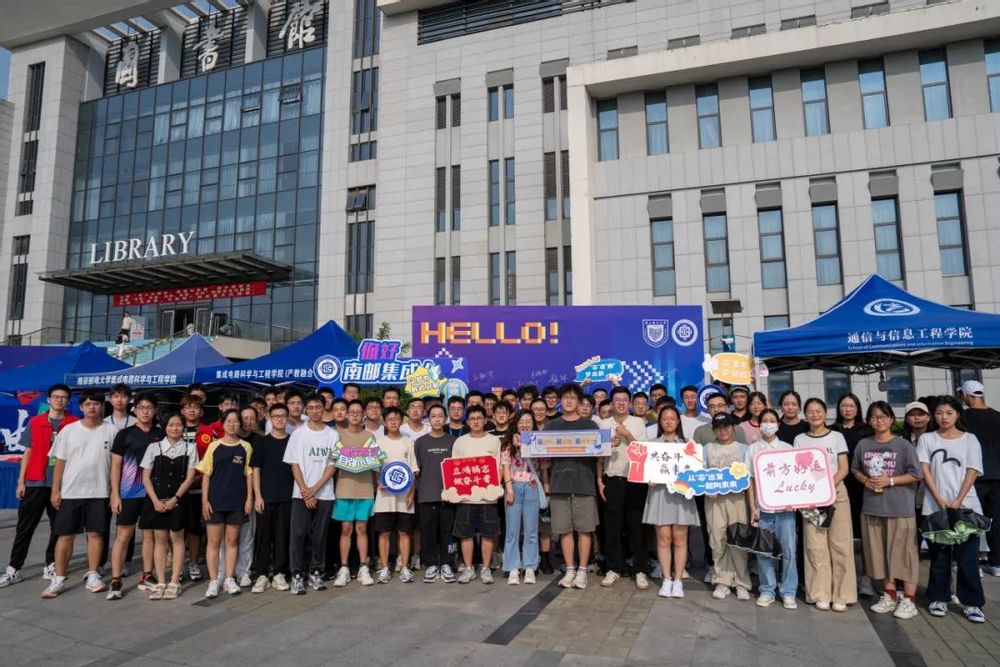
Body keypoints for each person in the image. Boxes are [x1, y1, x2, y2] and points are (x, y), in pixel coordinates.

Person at [0, 384, 78, 588]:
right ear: (49, 399)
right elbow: (27, 452)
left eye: (63, 397)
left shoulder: (73, 424)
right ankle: (14, 568)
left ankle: (50, 564)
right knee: (25, 527)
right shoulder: (35, 422)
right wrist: (21, 482)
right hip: (35, 481)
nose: (59, 400)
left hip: (61, 484)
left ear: (68, 401)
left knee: (58, 527)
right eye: (56, 397)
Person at [41, 390, 117, 599]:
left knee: (95, 534)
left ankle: (93, 575)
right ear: (81, 407)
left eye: (96, 403)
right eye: (88, 404)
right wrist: (55, 490)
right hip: (71, 492)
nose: (92, 407)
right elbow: (59, 462)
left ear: (102, 406)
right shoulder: (69, 430)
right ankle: (59, 578)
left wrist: (113, 491)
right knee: (65, 535)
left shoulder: (112, 431)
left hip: (99, 492)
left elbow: (115, 465)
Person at [918, 395, 987, 623]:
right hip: (935, 506)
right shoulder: (927, 439)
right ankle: (939, 598)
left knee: (967, 557)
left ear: (958, 414)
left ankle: (972, 603)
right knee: (939, 556)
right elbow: (925, 470)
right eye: (939, 413)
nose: (944, 417)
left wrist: (958, 499)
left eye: (949, 413)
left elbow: (972, 470)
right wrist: (939, 498)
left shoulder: (970, 439)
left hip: (966, 506)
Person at [852, 401, 922, 621]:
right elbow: (855, 469)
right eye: (874, 417)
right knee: (880, 554)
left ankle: (909, 600)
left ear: (891, 419)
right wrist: (865, 480)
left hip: (899, 508)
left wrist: (890, 480)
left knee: (904, 555)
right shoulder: (864, 444)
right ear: (869, 420)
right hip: (872, 508)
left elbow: (916, 474)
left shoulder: (903, 445)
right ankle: (889, 595)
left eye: (883, 416)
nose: (879, 420)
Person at [794, 397, 856, 612]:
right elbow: (798, 471)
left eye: (818, 410)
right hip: (810, 499)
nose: (814, 414)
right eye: (810, 411)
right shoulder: (800, 439)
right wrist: (815, 493)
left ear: (825, 413)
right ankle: (820, 593)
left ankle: (842, 594)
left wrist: (827, 488)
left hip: (836, 494)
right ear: (805, 415)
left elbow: (844, 468)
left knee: (840, 544)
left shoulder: (837, 437)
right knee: (815, 546)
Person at [107, 392, 164, 599]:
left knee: (149, 535)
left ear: (155, 410)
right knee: (123, 536)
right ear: (135, 409)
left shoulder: (161, 434)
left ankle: (147, 576)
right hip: (128, 492)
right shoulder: (125, 434)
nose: (145, 411)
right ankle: (115, 580)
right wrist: (115, 494)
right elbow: (115, 466)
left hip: (152, 494)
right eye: (141, 408)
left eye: (149, 408)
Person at [545, 384, 600, 590]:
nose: (569, 401)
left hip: (584, 484)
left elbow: (599, 454)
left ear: (579, 401)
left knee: (585, 529)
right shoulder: (551, 426)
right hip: (559, 484)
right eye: (565, 397)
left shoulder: (590, 425)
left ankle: (582, 570)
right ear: (560, 401)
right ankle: (570, 569)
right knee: (564, 529)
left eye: (573, 397)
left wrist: (608, 444)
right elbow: (541, 454)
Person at [138, 413, 198, 600]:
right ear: (164, 427)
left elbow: (190, 478)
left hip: (178, 501)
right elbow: (146, 478)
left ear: (183, 427)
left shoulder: (190, 448)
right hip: (156, 501)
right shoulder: (153, 447)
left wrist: (175, 498)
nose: (174, 428)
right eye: (171, 425)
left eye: (178, 425)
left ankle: (174, 581)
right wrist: (155, 501)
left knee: (178, 539)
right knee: (160, 540)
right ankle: (161, 581)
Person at [597, 386, 651, 590]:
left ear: (629, 403)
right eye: (617, 400)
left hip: (635, 481)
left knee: (637, 527)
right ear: (611, 403)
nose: (620, 403)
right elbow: (597, 455)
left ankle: (640, 569)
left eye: (624, 400)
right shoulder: (603, 424)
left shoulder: (637, 422)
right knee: (612, 527)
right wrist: (599, 480)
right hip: (613, 480)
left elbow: (644, 451)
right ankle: (613, 568)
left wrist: (628, 435)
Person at [284, 394, 338, 595]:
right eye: (311, 407)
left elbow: (332, 466)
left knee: (320, 535)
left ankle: (316, 571)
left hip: (325, 493)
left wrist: (315, 489)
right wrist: (306, 492)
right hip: (301, 494)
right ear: (307, 409)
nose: (315, 411)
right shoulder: (298, 434)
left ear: (324, 408)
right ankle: (297, 574)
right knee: (298, 535)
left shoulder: (333, 435)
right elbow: (294, 464)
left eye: (318, 407)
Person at [197, 409, 253, 598]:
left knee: (232, 542)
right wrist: (205, 500)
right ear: (222, 424)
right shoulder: (214, 446)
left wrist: (249, 498)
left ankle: (229, 578)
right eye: (228, 421)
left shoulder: (245, 447)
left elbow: (249, 474)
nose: (232, 424)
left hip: (237, 502)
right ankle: (214, 581)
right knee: (213, 543)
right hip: (215, 503)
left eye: (235, 421)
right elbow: (206, 475)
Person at [643, 406, 697, 599]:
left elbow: (695, 473)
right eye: (664, 418)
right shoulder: (652, 445)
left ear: (678, 421)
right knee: (663, 538)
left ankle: (678, 580)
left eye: (672, 418)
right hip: (660, 494)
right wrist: (648, 477)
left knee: (680, 539)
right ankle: (666, 579)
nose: (668, 421)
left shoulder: (687, 445)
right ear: (660, 422)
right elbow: (644, 470)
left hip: (681, 496)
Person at [745, 408, 797, 609]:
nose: (768, 424)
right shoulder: (752, 449)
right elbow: (750, 481)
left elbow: (795, 478)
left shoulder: (787, 448)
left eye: (772, 420)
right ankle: (767, 590)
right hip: (763, 509)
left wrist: (795, 501)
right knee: (763, 551)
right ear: (759, 425)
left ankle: (788, 591)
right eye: (764, 420)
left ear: (778, 424)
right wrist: (753, 507)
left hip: (785, 510)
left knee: (789, 550)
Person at [453, 405, 502, 584]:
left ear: (485, 420)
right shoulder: (460, 442)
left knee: (488, 534)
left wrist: (496, 488)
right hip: (466, 497)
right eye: (472, 419)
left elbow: (499, 467)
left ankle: (486, 568)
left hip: (487, 497)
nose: (476, 422)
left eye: (479, 418)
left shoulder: (494, 441)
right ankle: (468, 568)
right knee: (466, 534)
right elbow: (454, 469)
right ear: (467, 422)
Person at [704, 413, 751, 600]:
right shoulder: (707, 449)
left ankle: (741, 582)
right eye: (718, 427)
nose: (722, 430)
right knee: (717, 538)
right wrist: (707, 488)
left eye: (726, 426)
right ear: (713, 429)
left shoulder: (744, 449)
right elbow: (700, 475)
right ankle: (722, 580)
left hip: (737, 500)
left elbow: (750, 477)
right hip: (714, 501)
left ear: (733, 428)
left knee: (738, 539)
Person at [332, 400, 378, 587]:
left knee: (362, 528)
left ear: (363, 415)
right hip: (344, 489)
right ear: (347, 414)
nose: (355, 415)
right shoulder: (337, 436)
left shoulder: (370, 437)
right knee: (345, 529)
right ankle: (344, 568)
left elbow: (376, 463)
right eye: (352, 412)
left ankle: (363, 567)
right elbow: (333, 463)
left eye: (359, 412)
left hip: (365, 490)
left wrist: (380, 482)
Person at [250, 403, 294, 593]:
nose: (280, 419)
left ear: (288, 418)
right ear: (269, 417)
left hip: (287, 497)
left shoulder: (293, 441)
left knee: (282, 536)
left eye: (283, 415)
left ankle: (279, 572)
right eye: (276, 416)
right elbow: (256, 470)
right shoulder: (262, 442)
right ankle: (261, 574)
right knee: (263, 536)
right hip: (266, 497)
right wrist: (258, 496)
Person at [958, 380, 1000, 577]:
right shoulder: (997, 416)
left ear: (965, 395)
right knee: (996, 520)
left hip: (973, 475)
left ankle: (972, 562)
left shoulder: (963, 418)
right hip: (997, 475)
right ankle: (996, 562)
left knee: (970, 519)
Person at [374, 407, 418, 584]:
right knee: (384, 533)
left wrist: (412, 492)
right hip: (384, 497)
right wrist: (378, 481)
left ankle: (405, 568)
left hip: (404, 496)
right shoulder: (378, 442)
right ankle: (385, 568)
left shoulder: (408, 442)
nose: (393, 422)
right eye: (390, 419)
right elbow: (376, 468)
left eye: (396, 418)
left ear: (401, 421)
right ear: (384, 422)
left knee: (404, 532)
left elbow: (413, 469)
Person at [414, 404, 457, 583]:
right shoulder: (420, 442)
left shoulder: (453, 441)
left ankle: (447, 563)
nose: (437, 419)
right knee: (428, 532)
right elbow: (416, 470)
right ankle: (431, 563)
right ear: (428, 419)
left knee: (448, 531)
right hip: (426, 495)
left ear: (446, 419)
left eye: (440, 416)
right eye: (433, 416)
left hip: (449, 496)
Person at [501, 412, 542, 585]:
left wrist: (526, 445)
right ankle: (513, 567)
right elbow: (505, 467)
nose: (524, 424)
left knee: (531, 531)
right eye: (521, 422)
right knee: (512, 531)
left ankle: (530, 566)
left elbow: (543, 463)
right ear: (516, 424)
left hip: (532, 487)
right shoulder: (508, 443)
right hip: (514, 487)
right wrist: (509, 489)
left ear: (533, 424)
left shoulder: (538, 441)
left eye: (528, 421)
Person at [180, 394, 213, 582]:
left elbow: (212, 461)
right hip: (176, 489)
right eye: (188, 406)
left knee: (194, 528)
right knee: (176, 529)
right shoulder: (174, 428)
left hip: (198, 488)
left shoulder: (209, 432)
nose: (192, 410)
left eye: (196, 407)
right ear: (182, 410)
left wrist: (196, 479)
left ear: (201, 411)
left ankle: (193, 563)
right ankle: (178, 565)